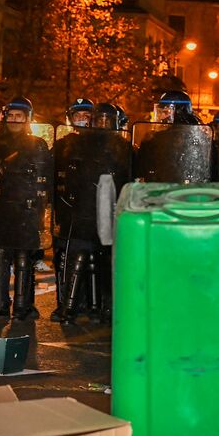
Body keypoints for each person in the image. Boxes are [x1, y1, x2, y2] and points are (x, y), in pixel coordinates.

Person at [52, 89, 131, 323]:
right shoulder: (73, 145)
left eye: (108, 120)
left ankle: (105, 308)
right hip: (80, 212)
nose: (103, 125)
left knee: (106, 262)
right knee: (76, 258)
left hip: (110, 214)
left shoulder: (124, 149)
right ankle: (70, 307)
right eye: (99, 120)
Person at [0, 96, 53, 320]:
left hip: (26, 209)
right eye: (11, 115)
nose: (14, 120)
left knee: (23, 257)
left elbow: (44, 176)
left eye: (19, 116)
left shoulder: (37, 144)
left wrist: (41, 206)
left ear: (27, 119)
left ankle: (23, 307)